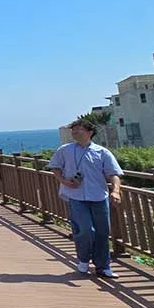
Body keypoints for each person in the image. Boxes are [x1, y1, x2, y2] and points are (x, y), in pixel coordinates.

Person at [48, 118, 124, 278]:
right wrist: (63, 181)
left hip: (98, 195)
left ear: (90, 132)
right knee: (85, 230)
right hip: (76, 196)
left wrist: (116, 190)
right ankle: (83, 259)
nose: (74, 133)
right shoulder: (65, 150)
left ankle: (103, 266)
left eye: (78, 130)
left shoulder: (102, 152)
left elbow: (114, 173)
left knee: (103, 232)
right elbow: (55, 167)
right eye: (73, 130)